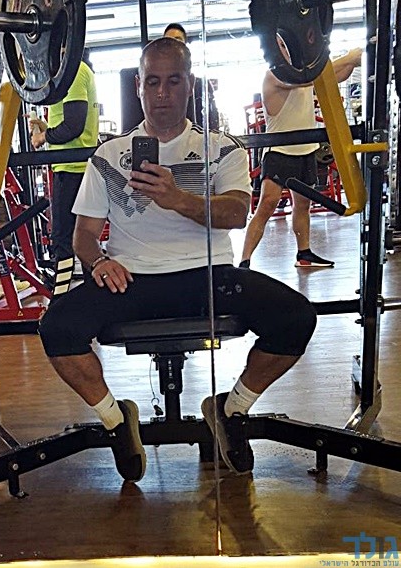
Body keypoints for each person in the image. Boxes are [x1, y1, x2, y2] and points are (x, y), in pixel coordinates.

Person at [38, 37, 317, 482]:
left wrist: (177, 198)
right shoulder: (109, 156)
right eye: (152, 82)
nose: (162, 93)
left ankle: (231, 409)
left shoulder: (222, 148)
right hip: (133, 278)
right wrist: (99, 263)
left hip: (209, 275)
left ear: (190, 85)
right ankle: (116, 421)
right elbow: (84, 236)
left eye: (173, 81)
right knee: (56, 327)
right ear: (139, 88)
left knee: (297, 317)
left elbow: (236, 213)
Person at [240, 46, 363, 269]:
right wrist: (348, 57)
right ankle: (244, 261)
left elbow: (334, 76)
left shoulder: (305, 75)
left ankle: (304, 254)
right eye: (282, 47)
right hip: (280, 151)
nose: (288, 51)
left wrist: (352, 62)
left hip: (306, 149)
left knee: (303, 205)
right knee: (267, 205)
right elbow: (309, 79)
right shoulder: (275, 74)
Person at [30, 48, 100, 292]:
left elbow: (73, 126)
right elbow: (71, 123)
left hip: (73, 169)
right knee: (79, 238)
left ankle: (62, 299)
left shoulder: (74, 72)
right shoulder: (76, 72)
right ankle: (90, 297)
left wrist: (43, 137)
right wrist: (47, 128)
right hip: (72, 167)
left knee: (64, 240)